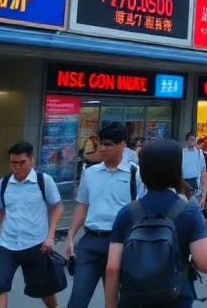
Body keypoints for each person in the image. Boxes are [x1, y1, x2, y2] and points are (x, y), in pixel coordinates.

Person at [104, 140, 207, 308]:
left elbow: (112, 268)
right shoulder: (188, 211)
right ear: (176, 170)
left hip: (134, 301)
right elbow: (205, 262)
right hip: (175, 300)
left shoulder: (128, 212)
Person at [64, 122, 140, 308]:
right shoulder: (90, 173)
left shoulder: (135, 174)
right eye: (100, 144)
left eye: (108, 145)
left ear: (122, 145)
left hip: (120, 243)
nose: (102, 149)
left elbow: (141, 211)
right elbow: (82, 205)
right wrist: (71, 235)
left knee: (115, 301)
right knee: (77, 300)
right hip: (90, 242)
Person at [0, 142, 64, 308]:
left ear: (31, 161)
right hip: (7, 245)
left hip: (36, 246)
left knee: (44, 290)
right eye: (13, 163)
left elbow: (57, 207)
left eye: (21, 163)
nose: (17, 167)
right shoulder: (3, 184)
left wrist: (50, 236)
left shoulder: (43, 181)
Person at [182, 133, 205, 198]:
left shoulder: (199, 152)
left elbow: (203, 169)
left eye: (192, 139)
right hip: (184, 181)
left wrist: (203, 187)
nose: (190, 141)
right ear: (186, 141)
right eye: (188, 139)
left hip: (195, 181)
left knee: (194, 202)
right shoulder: (182, 152)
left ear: (195, 140)